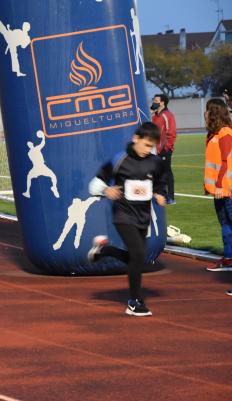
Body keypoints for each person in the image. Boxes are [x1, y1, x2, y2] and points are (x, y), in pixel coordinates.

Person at [87, 122, 167, 317]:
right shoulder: (119, 160)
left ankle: (104, 250)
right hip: (123, 215)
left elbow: (160, 184)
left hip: (143, 216)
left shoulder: (155, 162)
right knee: (138, 254)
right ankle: (134, 301)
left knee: (137, 258)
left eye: (151, 146)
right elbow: (94, 185)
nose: (148, 150)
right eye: (145, 145)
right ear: (135, 139)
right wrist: (106, 189)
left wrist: (159, 195)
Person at [203, 98, 232, 273]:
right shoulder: (212, 134)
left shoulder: (225, 132)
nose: (205, 113)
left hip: (226, 189)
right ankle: (229, 258)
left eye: (207, 110)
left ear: (213, 112)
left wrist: (220, 184)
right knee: (225, 225)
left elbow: (227, 161)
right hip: (218, 190)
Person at [151, 93, 177, 204]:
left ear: (162, 102)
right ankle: (161, 195)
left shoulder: (167, 115)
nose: (154, 102)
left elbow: (171, 133)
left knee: (166, 172)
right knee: (156, 173)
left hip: (164, 150)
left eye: (156, 100)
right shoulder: (154, 116)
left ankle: (170, 197)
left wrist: (166, 148)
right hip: (155, 150)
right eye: (154, 100)